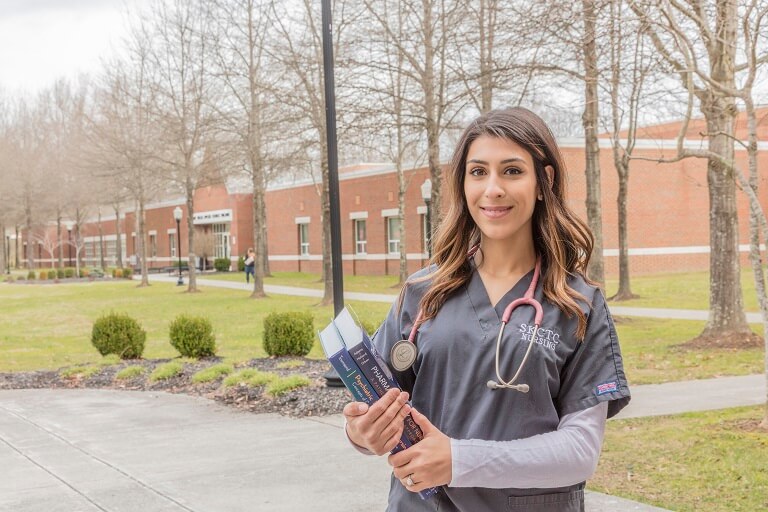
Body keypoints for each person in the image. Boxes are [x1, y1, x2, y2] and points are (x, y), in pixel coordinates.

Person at [343, 107, 631, 512]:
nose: (492, 189)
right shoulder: (422, 293)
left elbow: (580, 450)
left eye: (512, 171)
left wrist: (459, 461)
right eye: (478, 172)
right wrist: (362, 433)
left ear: (542, 181)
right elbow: (379, 404)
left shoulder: (577, 304)